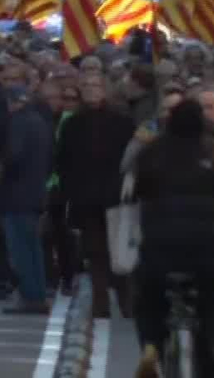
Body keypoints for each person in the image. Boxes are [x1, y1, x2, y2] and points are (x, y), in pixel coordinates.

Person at [129, 99, 214, 378]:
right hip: (205, 245)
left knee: (149, 299)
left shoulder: (151, 153)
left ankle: (151, 347)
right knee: (210, 307)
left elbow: (137, 194)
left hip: (159, 245)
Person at [54, 70, 137, 318]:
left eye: (96, 85)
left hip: (116, 197)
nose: (91, 90)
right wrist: (70, 190)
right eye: (87, 86)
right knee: (95, 252)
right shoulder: (72, 124)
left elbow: (131, 157)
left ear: (105, 89)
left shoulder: (121, 121)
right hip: (86, 198)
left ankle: (126, 301)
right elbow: (62, 160)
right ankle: (100, 303)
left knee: (119, 251)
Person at [0, 82, 53, 315]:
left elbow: (13, 157)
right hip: (35, 191)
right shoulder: (40, 121)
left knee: (20, 248)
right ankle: (37, 294)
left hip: (17, 194)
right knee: (33, 248)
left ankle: (30, 296)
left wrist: (0, 170)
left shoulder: (19, 122)